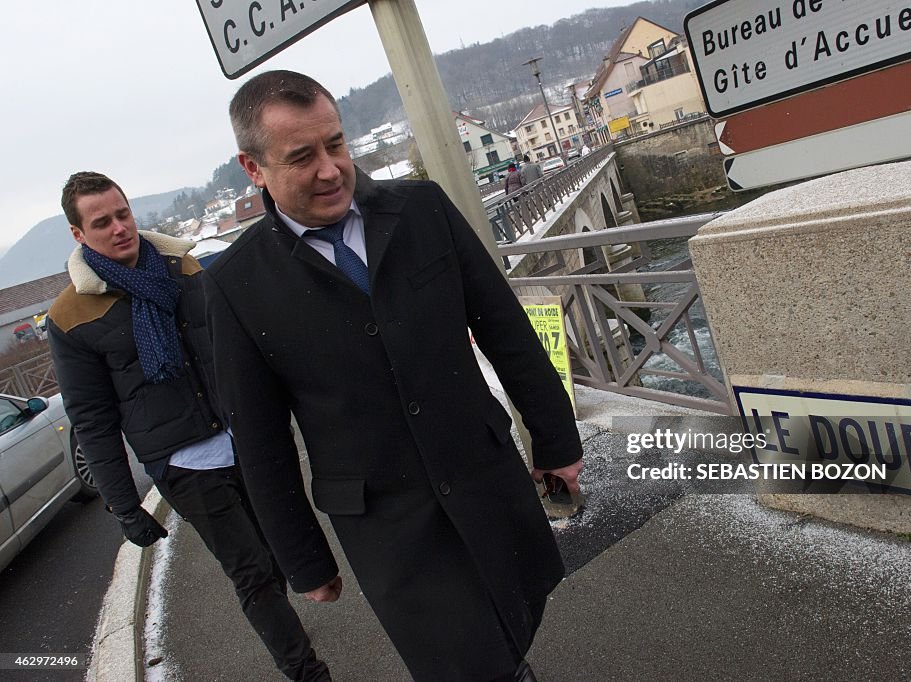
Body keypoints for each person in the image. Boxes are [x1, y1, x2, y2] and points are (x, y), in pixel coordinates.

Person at [203, 70, 584, 681]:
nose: (330, 169)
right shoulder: (235, 283)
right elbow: (261, 439)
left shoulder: (423, 210)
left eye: (336, 144)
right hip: (388, 524)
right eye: (302, 157)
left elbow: (505, 330)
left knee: (517, 611)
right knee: (461, 662)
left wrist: (556, 439)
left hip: (483, 472)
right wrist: (303, 557)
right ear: (254, 169)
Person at [47, 172, 330, 681]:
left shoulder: (183, 267)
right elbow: (92, 419)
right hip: (183, 462)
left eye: (122, 214)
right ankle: (306, 671)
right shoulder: (70, 317)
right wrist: (123, 504)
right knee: (250, 572)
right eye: (101, 222)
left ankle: (283, 626)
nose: (118, 228)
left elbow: (238, 345)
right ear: (78, 234)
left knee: (275, 549)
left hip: (246, 438)